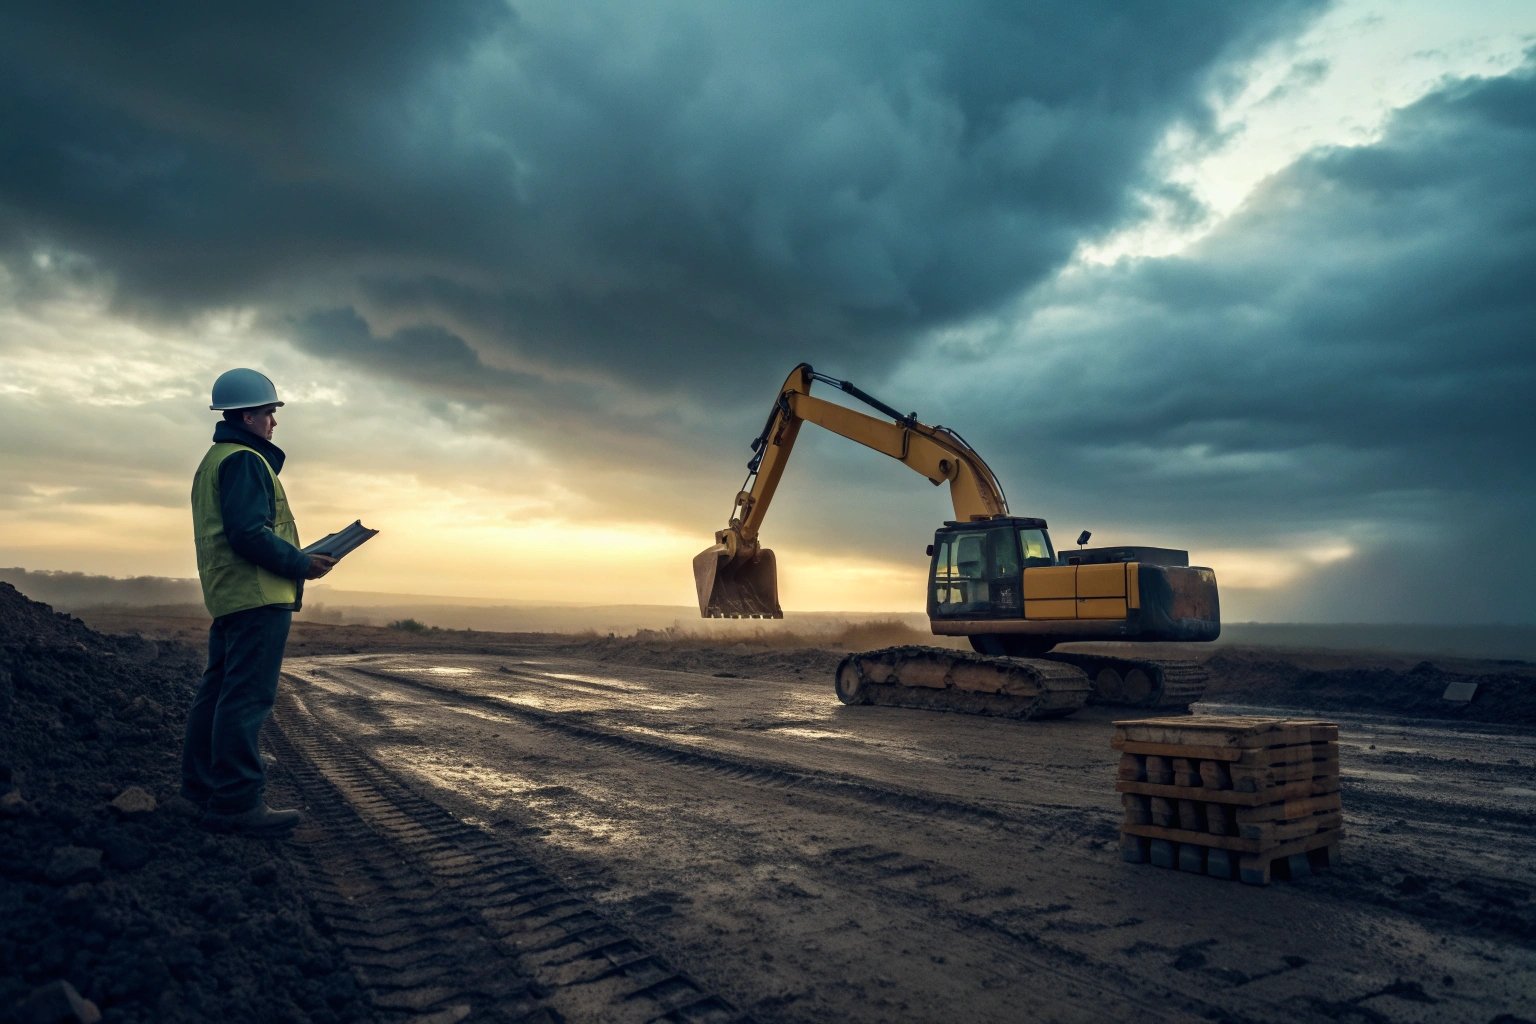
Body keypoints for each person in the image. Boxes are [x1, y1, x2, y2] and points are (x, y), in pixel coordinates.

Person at [181, 368, 336, 836]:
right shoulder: (246, 460)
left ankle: (200, 789)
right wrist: (300, 564)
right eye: (269, 412)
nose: (274, 421)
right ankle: (236, 801)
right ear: (248, 415)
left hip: (232, 596)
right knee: (246, 698)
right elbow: (248, 533)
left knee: (218, 694)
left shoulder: (216, 458)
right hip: (258, 595)